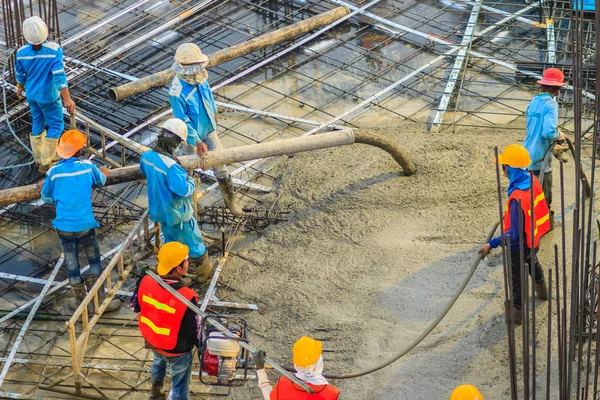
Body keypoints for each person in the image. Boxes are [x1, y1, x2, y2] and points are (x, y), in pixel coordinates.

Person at [40, 130, 120, 312]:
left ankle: (79, 303)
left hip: (64, 228)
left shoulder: (53, 172)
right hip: (85, 226)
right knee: (94, 261)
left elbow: (46, 197)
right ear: (79, 151)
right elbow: (100, 181)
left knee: (71, 264)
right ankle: (98, 301)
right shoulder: (87, 166)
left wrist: (56, 194)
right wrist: (105, 172)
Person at [478, 144, 551, 325]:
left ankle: (517, 315)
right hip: (533, 239)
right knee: (533, 262)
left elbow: (515, 234)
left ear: (509, 168)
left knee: (516, 281)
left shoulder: (517, 197)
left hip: (518, 245)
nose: (503, 171)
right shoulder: (532, 180)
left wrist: (492, 243)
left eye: (504, 166)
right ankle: (543, 292)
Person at [169, 42, 243, 216]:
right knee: (188, 169)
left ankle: (230, 200)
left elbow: (208, 96)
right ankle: (192, 201)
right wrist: (197, 141)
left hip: (208, 129)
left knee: (220, 164)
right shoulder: (176, 91)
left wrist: (214, 112)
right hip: (190, 136)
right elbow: (183, 119)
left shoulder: (201, 77)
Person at [139, 118, 212, 283]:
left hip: (161, 213)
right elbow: (184, 190)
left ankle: (173, 277)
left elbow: (145, 171)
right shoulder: (172, 167)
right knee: (195, 244)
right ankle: (204, 275)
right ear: (176, 142)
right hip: (178, 215)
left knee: (171, 246)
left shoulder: (146, 157)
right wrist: (191, 180)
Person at [132, 242, 200, 400]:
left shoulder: (146, 282)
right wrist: (202, 346)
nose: (188, 263)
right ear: (178, 268)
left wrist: (141, 278)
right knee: (180, 385)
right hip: (176, 348)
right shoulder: (186, 296)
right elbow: (193, 331)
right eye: (187, 260)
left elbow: (135, 306)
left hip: (153, 340)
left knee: (158, 361)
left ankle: (156, 390)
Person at [15, 16, 76, 173]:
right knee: (56, 125)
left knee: (37, 122)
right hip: (48, 96)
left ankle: (38, 157)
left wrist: (19, 88)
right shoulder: (54, 50)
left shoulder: (21, 53)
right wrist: (68, 100)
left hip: (32, 95)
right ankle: (47, 161)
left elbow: (20, 75)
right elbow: (59, 76)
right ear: (45, 31)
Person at [523, 68, 567, 228]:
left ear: (542, 86)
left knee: (527, 194)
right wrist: (559, 135)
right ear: (558, 88)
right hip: (540, 160)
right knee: (543, 196)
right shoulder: (551, 103)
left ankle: (528, 222)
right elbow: (548, 131)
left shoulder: (535, 101)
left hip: (526, 154)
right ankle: (544, 226)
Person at [253, 336, 341, 399]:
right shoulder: (332, 394)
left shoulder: (283, 384)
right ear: (318, 362)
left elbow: (269, 396)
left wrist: (260, 368)